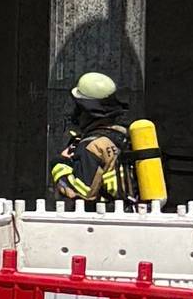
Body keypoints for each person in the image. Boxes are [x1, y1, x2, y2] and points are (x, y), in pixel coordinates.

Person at [50, 71, 136, 203]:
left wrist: (60, 165)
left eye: (79, 109)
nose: (75, 114)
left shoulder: (92, 145)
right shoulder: (124, 135)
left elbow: (81, 192)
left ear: (88, 112)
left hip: (103, 219)